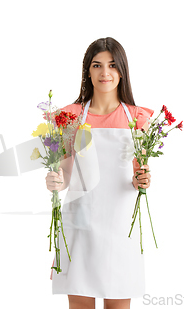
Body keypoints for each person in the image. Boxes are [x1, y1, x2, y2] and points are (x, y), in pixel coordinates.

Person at [45, 37, 153, 309]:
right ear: (87, 71)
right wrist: (56, 181)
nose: (105, 73)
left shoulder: (138, 118)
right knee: (80, 302)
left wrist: (143, 180)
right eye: (97, 65)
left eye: (113, 65)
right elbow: (67, 173)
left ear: (122, 71)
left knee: (118, 302)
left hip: (120, 225)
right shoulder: (69, 116)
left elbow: (138, 173)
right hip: (81, 220)